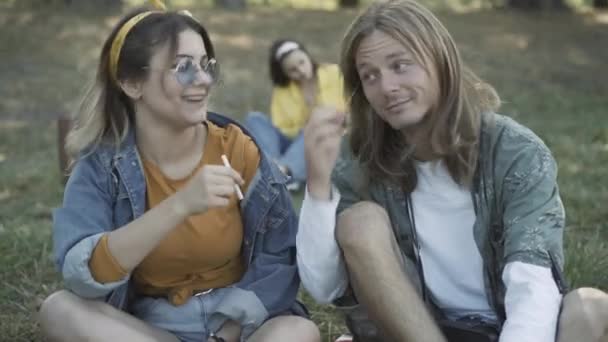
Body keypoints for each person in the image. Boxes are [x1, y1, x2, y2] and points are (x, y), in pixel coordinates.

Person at [297, 0, 608, 341]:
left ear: (441, 61)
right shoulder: (359, 160)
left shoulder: (515, 151)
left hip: (511, 327)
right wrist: (318, 187)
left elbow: (531, 281)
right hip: (417, 330)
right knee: (360, 222)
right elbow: (326, 288)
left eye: (401, 65)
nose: (386, 87)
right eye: (370, 75)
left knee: (591, 309)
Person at [37, 3, 320, 342]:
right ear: (132, 83)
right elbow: (82, 275)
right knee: (59, 310)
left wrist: (226, 333)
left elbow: (279, 258)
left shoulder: (237, 149)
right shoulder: (101, 167)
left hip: (240, 325)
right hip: (152, 328)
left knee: (297, 331)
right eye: (182, 68)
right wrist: (179, 206)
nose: (202, 80)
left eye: (206, 66)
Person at [244, 39, 346, 191]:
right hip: (296, 142)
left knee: (315, 127)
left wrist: (320, 120)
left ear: (307, 56)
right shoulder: (282, 91)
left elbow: (351, 109)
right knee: (254, 118)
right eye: (293, 70)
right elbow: (283, 127)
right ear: (285, 73)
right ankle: (281, 169)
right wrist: (305, 126)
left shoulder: (333, 73)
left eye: (302, 62)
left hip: (328, 138)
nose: (302, 71)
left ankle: (282, 172)